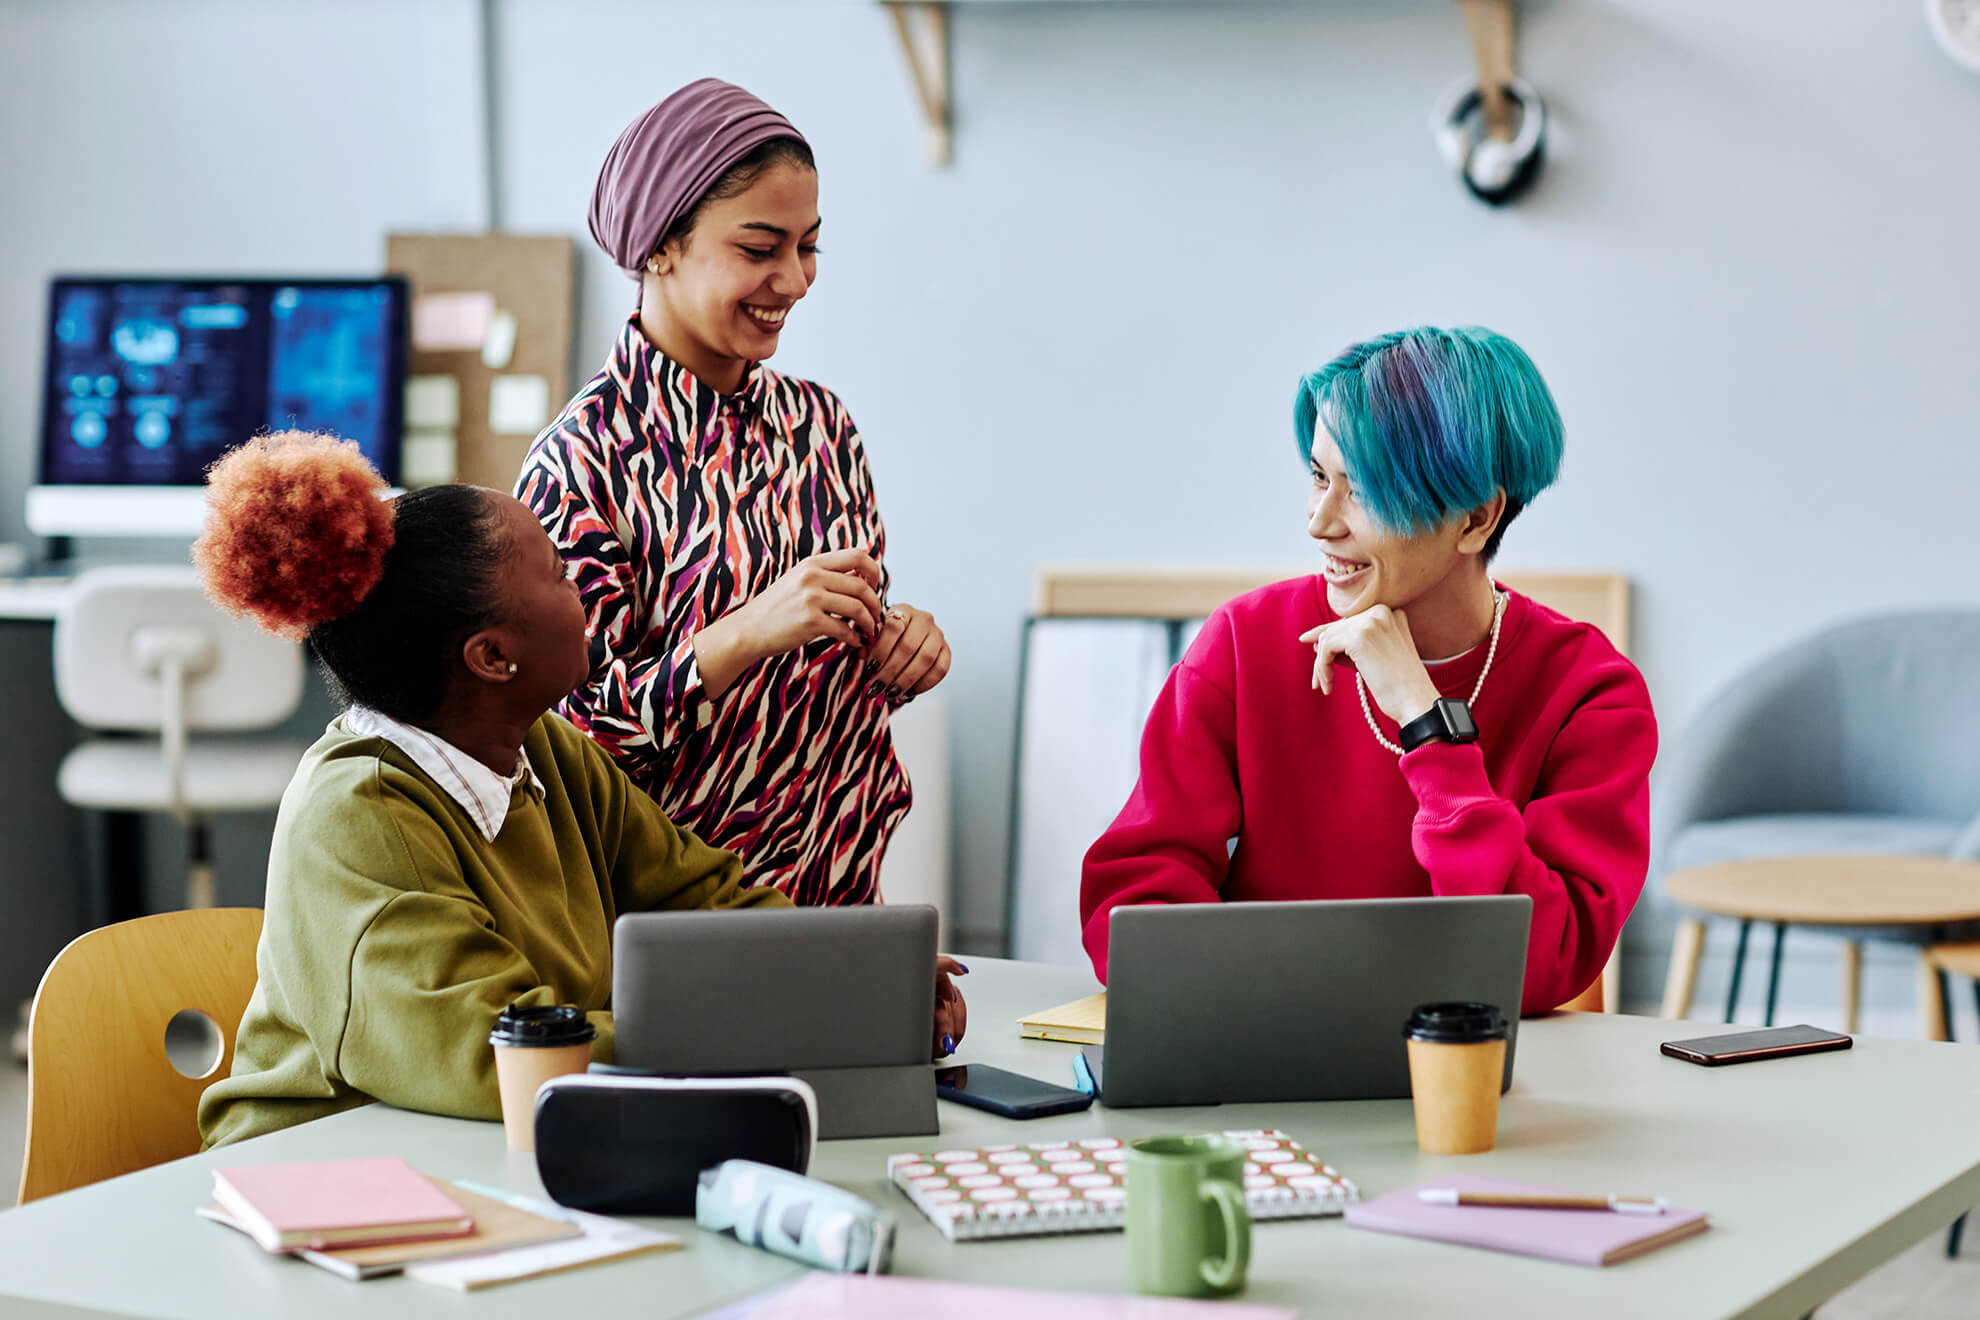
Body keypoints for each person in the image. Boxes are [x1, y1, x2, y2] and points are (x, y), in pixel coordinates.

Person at [195, 431, 966, 1149]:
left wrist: (855, 978)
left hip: (483, 1146)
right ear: (493, 656)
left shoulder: (546, 750)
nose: (588, 595)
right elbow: (493, 1051)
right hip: (329, 1173)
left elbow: (706, 898)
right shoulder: (359, 815)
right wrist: (800, 1014)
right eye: (562, 575)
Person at [1079, 327, 1656, 1014]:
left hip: (1471, 1083)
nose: (1321, 524)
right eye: (1320, 478)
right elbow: (1132, 908)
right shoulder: (1244, 643)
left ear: (1476, 518)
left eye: (1363, 490)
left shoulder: (1590, 693)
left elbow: (1543, 965)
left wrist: (1427, 723)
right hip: (1264, 1062)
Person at [517, 79, 947, 908]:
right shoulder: (579, 464)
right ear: (659, 247)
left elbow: (829, 679)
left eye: (808, 246)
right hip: (664, 927)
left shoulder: (820, 426)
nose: (794, 279)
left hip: (836, 906)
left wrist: (899, 650)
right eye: (759, 249)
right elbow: (564, 751)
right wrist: (744, 633)